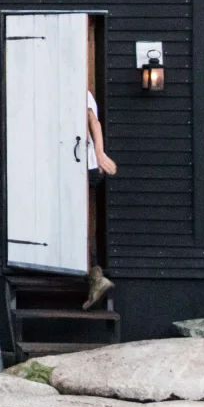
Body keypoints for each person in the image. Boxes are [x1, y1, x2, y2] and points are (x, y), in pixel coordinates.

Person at [83, 88, 117, 308]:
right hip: (88, 164)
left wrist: (99, 152)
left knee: (78, 222)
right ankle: (94, 276)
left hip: (85, 165)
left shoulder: (77, 89)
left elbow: (94, 122)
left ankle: (95, 275)